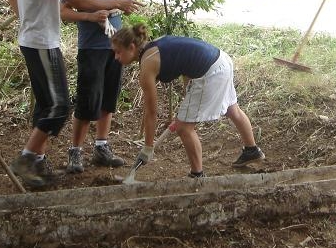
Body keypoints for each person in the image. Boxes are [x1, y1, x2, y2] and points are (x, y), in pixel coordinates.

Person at [6, 0, 141, 187]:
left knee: (49, 104)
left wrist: (26, 20)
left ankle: (37, 162)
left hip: (35, 38)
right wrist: (116, 2)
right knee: (59, 106)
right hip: (42, 42)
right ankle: (26, 158)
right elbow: (76, 1)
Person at [110, 24, 265, 178]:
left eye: (118, 52)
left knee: (184, 128)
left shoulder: (147, 64)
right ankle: (252, 150)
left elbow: (151, 111)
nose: (116, 57)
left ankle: (197, 175)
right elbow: (186, 64)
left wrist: (148, 147)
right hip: (221, 60)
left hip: (211, 71)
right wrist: (187, 102)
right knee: (232, 109)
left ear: (131, 47)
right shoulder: (155, 45)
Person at [61, 0, 137, 173]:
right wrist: (91, 15)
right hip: (91, 47)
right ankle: (75, 151)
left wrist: (117, 8)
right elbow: (64, 12)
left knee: (108, 99)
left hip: (114, 48)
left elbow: (124, 5)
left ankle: (101, 147)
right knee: (87, 101)